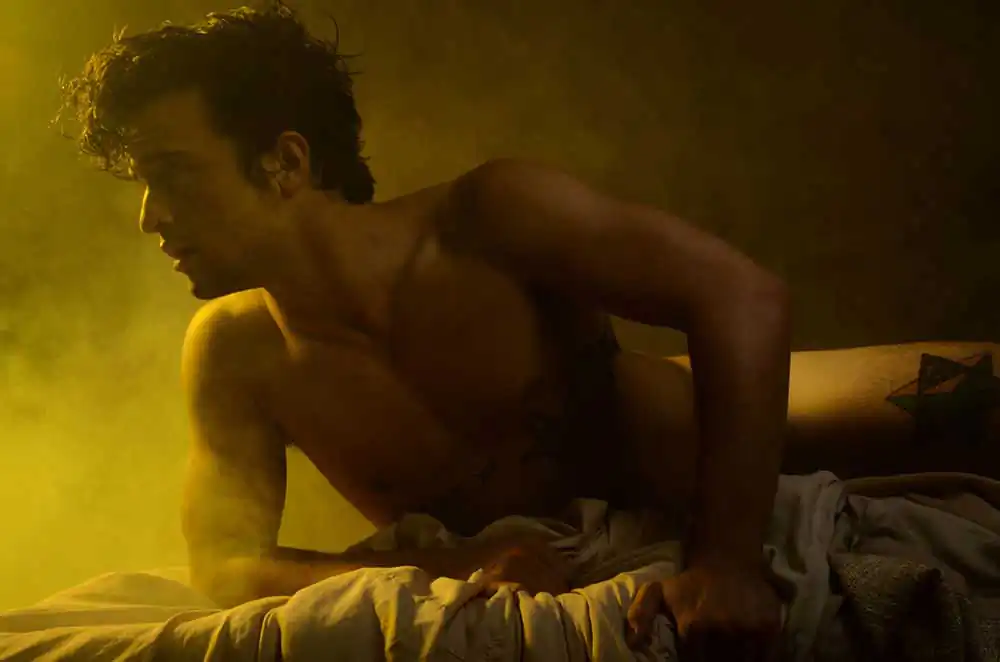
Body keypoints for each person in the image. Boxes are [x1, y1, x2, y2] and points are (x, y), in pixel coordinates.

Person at [59, 3, 1000, 659]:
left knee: (981, 391)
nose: (149, 218)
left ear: (285, 162)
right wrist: (453, 561)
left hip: (713, 431)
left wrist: (727, 563)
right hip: (612, 511)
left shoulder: (488, 218)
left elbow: (744, 297)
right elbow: (224, 562)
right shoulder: (234, 351)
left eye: (173, 175)